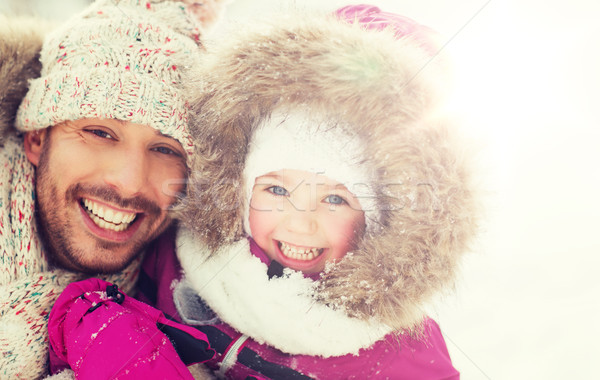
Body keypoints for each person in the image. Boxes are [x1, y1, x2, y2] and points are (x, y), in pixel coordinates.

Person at [138, 4, 479, 379]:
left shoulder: (402, 355)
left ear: (385, 224)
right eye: (277, 189)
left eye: (335, 199)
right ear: (238, 185)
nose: (300, 223)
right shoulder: (177, 254)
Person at [0, 0, 227, 378]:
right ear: (37, 137)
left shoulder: (192, 310)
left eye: (165, 149)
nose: (130, 181)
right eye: (100, 133)